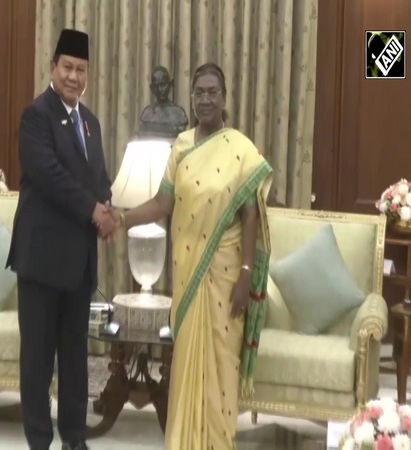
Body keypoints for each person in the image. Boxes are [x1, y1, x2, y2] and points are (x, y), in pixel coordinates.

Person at [114, 63, 273, 449]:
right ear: (191, 96)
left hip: (227, 273)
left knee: (221, 365)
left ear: (224, 96)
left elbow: (250, 213)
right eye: (199, 92)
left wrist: (245, 275)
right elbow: (162, 203)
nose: (205, 99)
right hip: (189, 274)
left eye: (212, 91)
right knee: (187, 360)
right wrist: (121, 217)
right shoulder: (181, 146)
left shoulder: (241, 148)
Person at [6, 28, 116, 450]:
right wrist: (93, 212)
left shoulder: (90, 123)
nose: (73, 76)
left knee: (75, 360)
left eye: (81, 69)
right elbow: (49, 176)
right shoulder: (36, 116)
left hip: (78, 265)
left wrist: (108, 210)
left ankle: (75, 439)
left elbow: (98, 178)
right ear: (52, 67)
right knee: (36, 361)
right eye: (67, 67)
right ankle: (39, 441)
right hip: (40, 261)